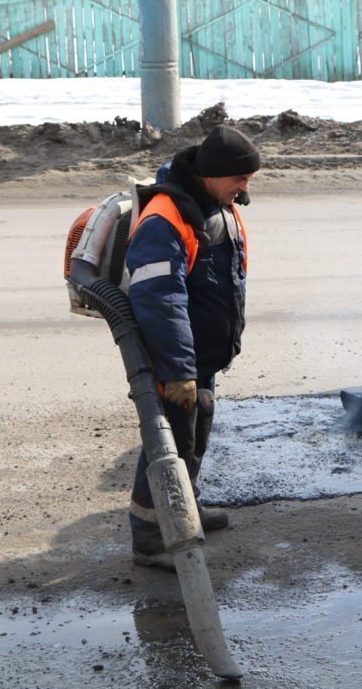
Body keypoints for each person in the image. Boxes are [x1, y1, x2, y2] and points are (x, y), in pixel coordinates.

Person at [124, 125, 259, 570]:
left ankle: (186, 508)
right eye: (240, 178)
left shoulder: (218, 205)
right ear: (213, 174)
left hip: (201, 355)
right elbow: (160, 299)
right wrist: (179, 370)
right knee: (169, 444)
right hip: (176, 359)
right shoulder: (166, 217)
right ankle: (149, 538)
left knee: (195, 435)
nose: (246, 187)